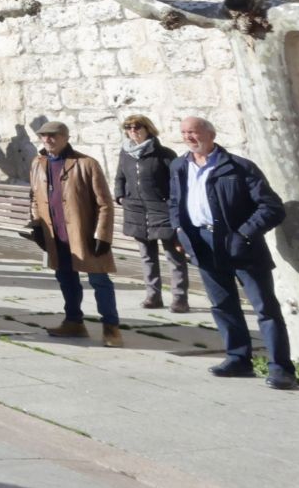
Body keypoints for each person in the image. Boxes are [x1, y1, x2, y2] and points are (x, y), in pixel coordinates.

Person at [169, 116, 296, 390]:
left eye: (194, 132)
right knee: (223, 305)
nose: (189, 137)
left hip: (241, 245)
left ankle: (281, 368)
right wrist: (179, 230)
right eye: (184, 133)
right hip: (202, 244)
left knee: (265, 308)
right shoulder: (179, 166)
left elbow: (272, 207)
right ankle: (238, 359)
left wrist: (243, 234)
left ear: (211, 134)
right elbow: (175, 202)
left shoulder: (239, 167)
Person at [27, 121, 122, 346]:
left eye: (53, 136)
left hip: (84, 235)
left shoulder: (86, 163)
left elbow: (104, 204)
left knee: (99, 280)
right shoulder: (38, 163)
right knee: (65, 278)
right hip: (56, 234)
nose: (48, 140)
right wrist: (36, 225)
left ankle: (111, 327)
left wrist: (103, 235)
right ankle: (73, 321)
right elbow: (34, 196)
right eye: (44, 136)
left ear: (65, 137)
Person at [116, 114, 189, 312]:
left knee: (174, 256)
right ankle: (153, 295)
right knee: (147, 256)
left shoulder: (164, 154)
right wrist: (120, 196)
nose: (133, 131)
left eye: (137, 127)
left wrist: (172, 205)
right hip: (136, 211)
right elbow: (120, 177)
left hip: (161, 210)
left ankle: (180, 298)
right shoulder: (126, 153)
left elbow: (176, 184)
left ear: (148, 129)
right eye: (129, 127)